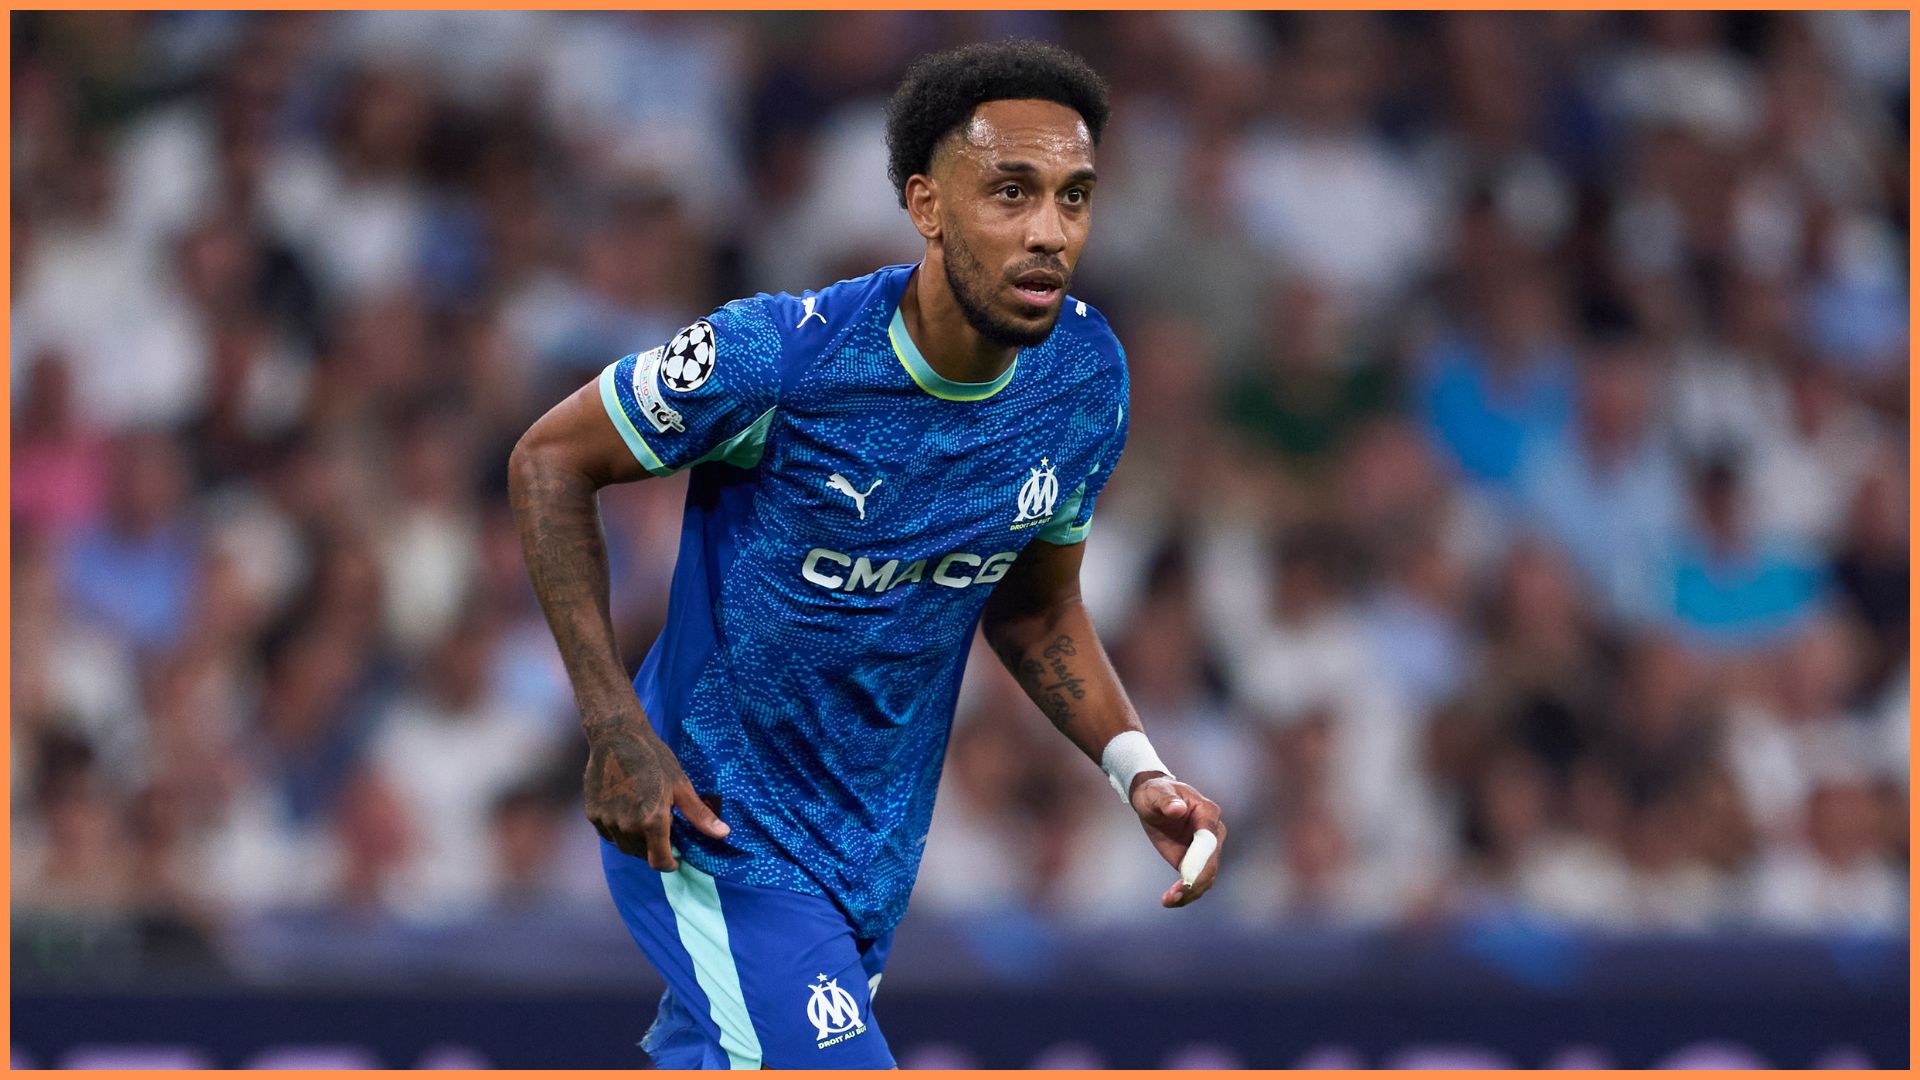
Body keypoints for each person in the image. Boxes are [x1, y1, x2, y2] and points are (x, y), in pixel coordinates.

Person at [507, 38, 1226, 1069]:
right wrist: (613, 723)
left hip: (869, 860)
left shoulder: (1082, 376)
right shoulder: (784, 360)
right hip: (718, 831)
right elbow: (547, 461)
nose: (1047, 233)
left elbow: (1032, 605)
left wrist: (1136, 769)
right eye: (1011, 193)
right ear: (928, 206)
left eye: (1074, 197)